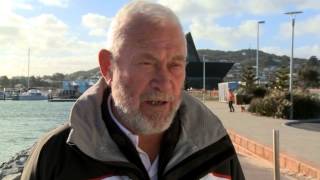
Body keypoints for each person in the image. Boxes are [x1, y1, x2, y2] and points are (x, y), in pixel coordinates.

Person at [21, 1, 244, 180]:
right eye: (146, 63)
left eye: (175, 65)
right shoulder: (56, 157)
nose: (164, 83)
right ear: (108, 66)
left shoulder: (215, 148)